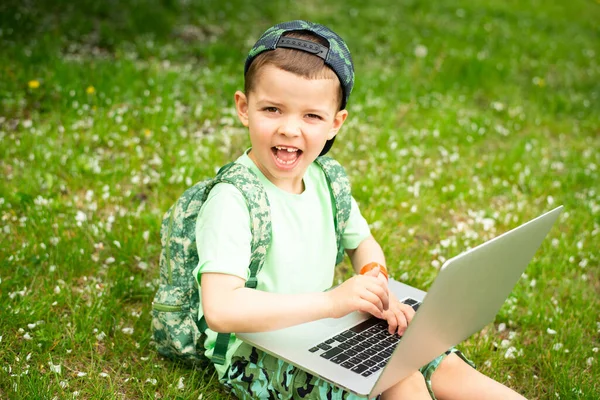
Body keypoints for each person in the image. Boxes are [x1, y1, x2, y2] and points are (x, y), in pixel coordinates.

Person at [193, 20, 526, 399]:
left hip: (320, 328)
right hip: (254, 351)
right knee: (402, 377)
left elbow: (362, 242)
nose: (289, 129)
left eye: (311, 116)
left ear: (336, 124)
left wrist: (375, 285)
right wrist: (332, 303)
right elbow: (221, 308)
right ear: (243, 108)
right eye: (272, 109)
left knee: (433, 357)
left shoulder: (325, 180)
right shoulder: (233, 200)